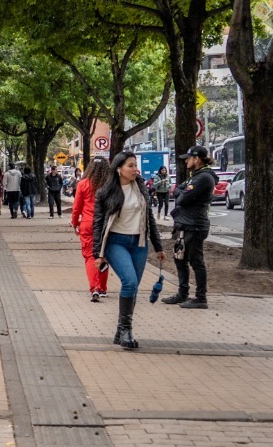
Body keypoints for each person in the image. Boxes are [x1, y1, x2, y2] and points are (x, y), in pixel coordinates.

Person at [90, 151, 166, 350]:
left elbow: (149, 217)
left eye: (135, 165)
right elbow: (97, 224)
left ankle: (120, 330)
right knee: (129, 282)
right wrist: (97, 253)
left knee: (133, 288)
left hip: (139, 243)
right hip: (116, 242)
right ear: (119, 169)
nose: (135, 169)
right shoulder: (105, 192)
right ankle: (126, 330)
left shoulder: (141, 187)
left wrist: (158, 246)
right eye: (130, 166)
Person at [162, 146, 216, 310]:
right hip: (185, 224)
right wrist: (181, 192)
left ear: (197, 159)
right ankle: (182, 293)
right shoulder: (195, 177)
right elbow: (177, 190)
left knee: (195, 261)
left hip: (195, 225)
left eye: (188, 158)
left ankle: (201, 297)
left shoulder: (204, 178)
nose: (186, 161)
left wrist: (181, 193)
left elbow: (183, 197)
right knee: (179, 258)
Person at [71, 158, 111, 303]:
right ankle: (103, 288)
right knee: (104, 255)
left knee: (90, 256)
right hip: (106, 225)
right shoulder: (110, 185)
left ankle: (94, 288)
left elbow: (76, 208)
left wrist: (75, 223)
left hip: (88, 224)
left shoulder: (83, 184)